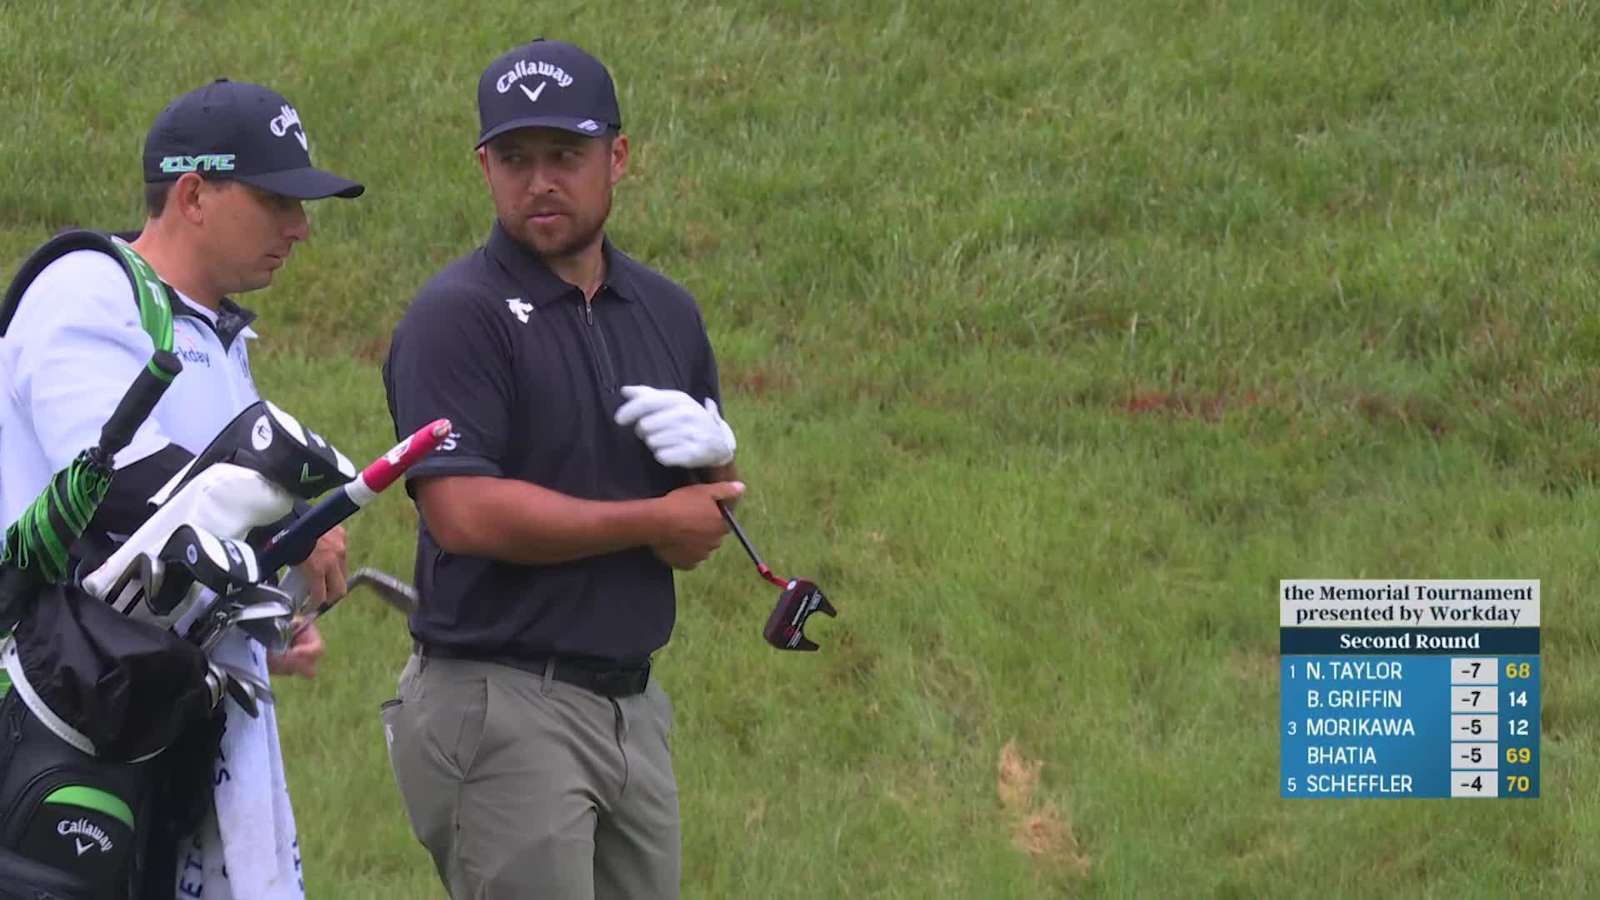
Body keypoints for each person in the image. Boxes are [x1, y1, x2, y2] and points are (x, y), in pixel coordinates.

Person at [382, 38, 744, 899]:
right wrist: (658, 522)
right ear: (484, 167)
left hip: (631, 708)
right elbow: (463, 513)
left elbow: (696, 533)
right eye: (515, 158)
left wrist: (718, 467)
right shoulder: (456, 317)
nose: (539, 180)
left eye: (565, 156)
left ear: (616, 156)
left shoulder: (664, 311)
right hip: (501, 702)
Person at [0, 78, 362, 898]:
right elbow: (115, 488)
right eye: (278, 202)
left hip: (144, 735)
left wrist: (272, 589)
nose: (301, 229)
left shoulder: (215, 335)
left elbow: (194, 537)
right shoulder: (85, 290)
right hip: (45, 736)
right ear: (195, 193)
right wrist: (284, 516)